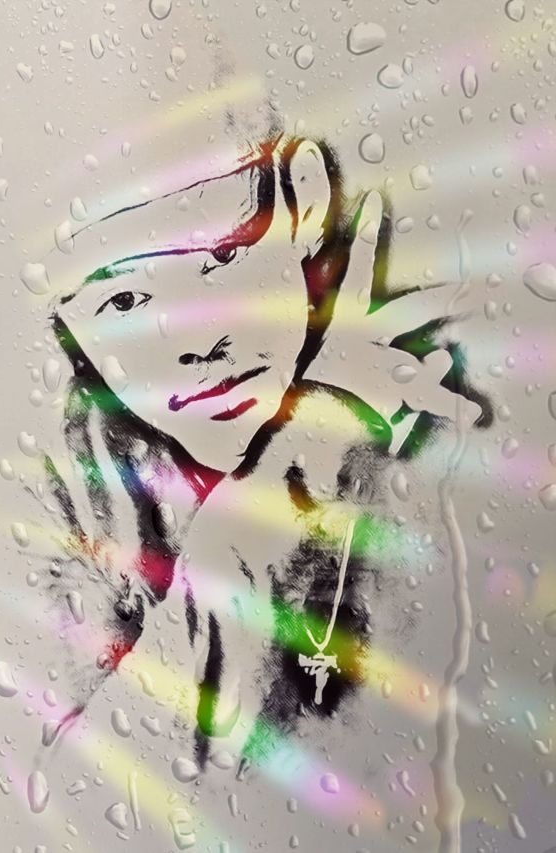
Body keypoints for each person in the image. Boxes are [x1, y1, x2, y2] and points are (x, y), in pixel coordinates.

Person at [26, 126, 488, 764]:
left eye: (223, 257)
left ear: (303, 204)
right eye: (125, 301)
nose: (198, 343)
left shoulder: (439, 428)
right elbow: (83, 788)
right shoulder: (74, 492)